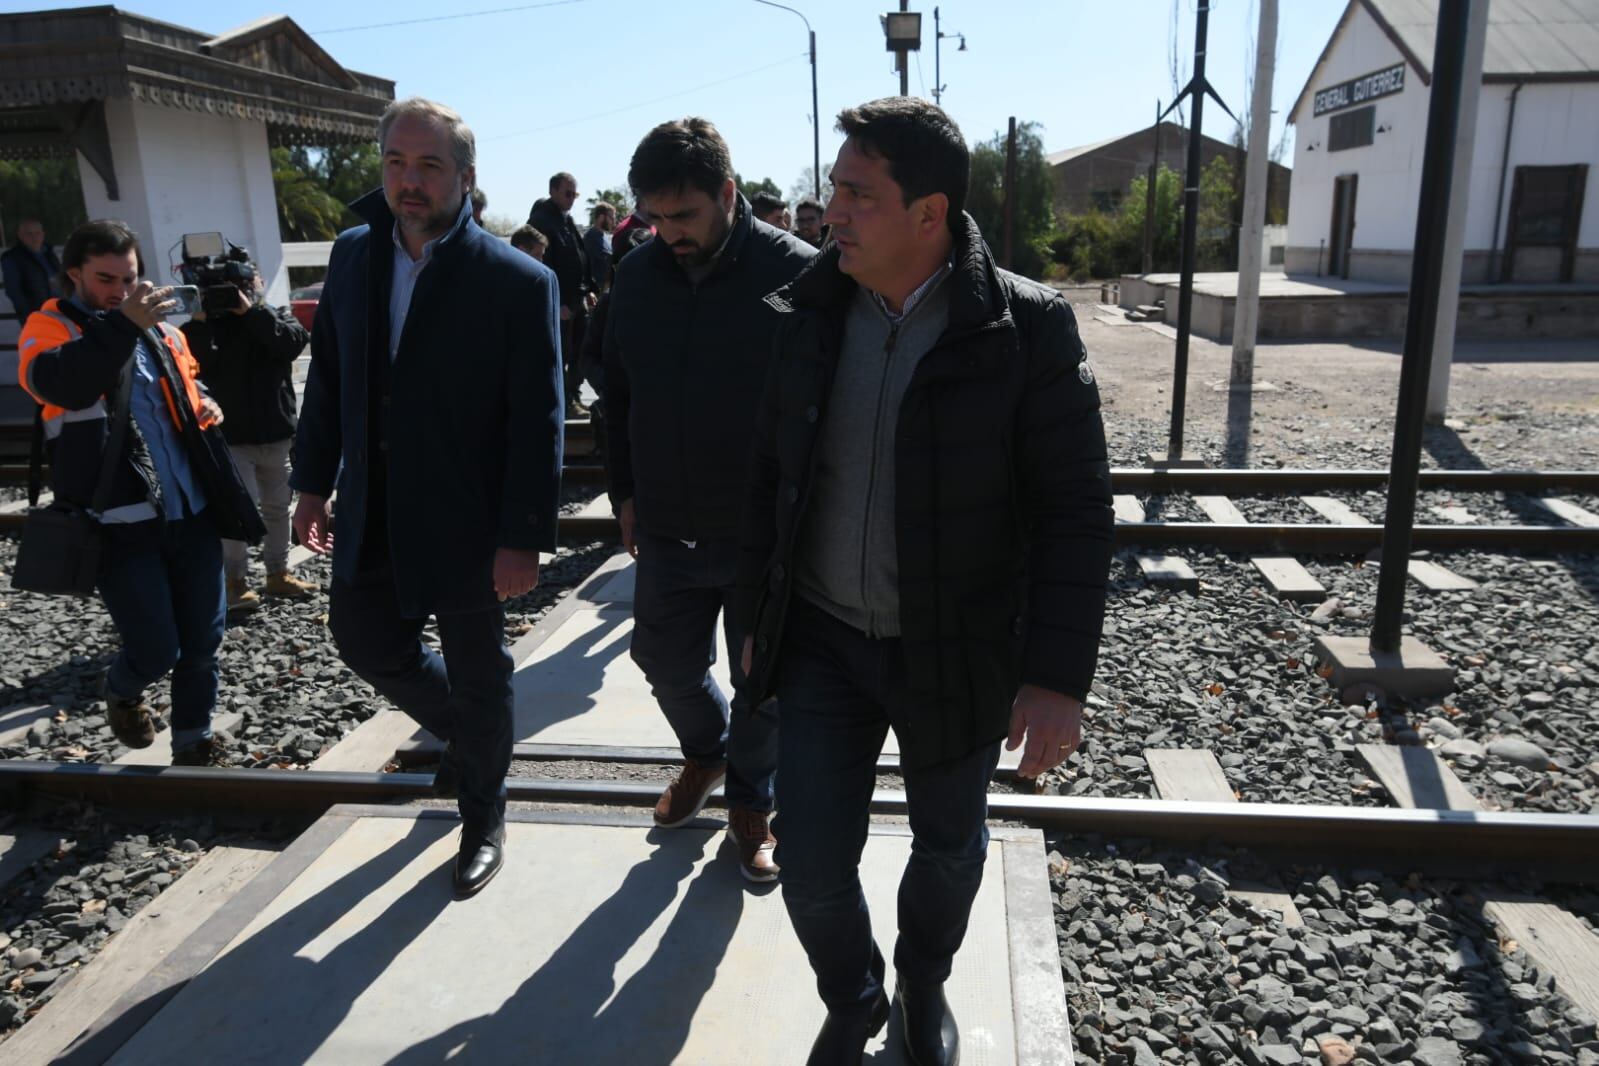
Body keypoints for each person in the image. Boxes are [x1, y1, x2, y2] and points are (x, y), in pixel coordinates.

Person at [735, 97, 1113, 1064]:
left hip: (958, 643)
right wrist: (755, 620)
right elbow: (766, 478)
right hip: (822, 639)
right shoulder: (804, 311)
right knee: (813, 863)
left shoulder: (1024, 329)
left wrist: (1058, 677)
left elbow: (1074, 513)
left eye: (858, 195)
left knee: (948, 847)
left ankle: (922, 985)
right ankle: (854, 993)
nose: (832, 214)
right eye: (833, 192)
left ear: (928, 213)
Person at [291, 97, 563, 900]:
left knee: (483, 675)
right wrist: (311, 483)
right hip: (374, 505)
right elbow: (330, 380)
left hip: (471, 522)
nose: (409, 183)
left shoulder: (518, 280)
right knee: (364, 637)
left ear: (466, 178)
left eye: (429, 166)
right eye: (396, 164)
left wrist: (524, 537)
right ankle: (473, 741)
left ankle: (483, 813)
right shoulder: (352, 256)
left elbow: (537, 417)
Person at [604, 117, 816, 883]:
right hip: (665, 520)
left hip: (762, 531)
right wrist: (624, 490)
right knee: (662, 660)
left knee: (761, 678)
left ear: (727, 193)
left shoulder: (797, 272)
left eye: (683, 216)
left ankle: (751, 801)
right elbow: (616, 395)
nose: (667, 234)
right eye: (653, 218)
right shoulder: (635, 277)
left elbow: (821, 411)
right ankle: (706, 753)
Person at [18, 219, 266, 766]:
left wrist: (206, 403)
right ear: (74, 274)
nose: (121, 290)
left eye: (130, 278)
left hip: (192, 509)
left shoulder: (164, 331)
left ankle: (194, 742)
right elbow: (60, 382)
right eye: (106, 279)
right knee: (156, 648)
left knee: (204, 642)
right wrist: (122, 325)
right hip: (117, 519)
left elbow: (187, 384)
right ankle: (124, 688)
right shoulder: (51, 327)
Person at [182, 272, 314, 615]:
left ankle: (278, 573)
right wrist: (199, 322)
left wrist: (253, 312)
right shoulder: (204, 327)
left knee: (277, 507)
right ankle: (235, 583)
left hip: (276, 432)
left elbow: (293, 341)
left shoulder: (271, 315)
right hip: (230, 438)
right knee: (237, 512)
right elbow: (187, 366)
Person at [528, 173, 595, 417]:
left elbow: (580, 257)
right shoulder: (542, 221)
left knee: (580, 350)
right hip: (560, 304)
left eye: (574, 194)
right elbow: (542, 267)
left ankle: (572, 397)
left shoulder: (565, 221)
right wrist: (557, 303)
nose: (572, 199)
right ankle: (563, 402)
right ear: (553, 191)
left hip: (576, 300)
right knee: (560, 355)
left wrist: (588, 290)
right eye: (567, 194)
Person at [3, 218, 61, 320]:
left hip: (60, 311)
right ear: (20, 235)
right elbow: (13, 291)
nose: (34, 237)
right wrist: (30, 314)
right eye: (29, 234)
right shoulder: (12, 258)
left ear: (43, 234)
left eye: (37, 233)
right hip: (37, 315)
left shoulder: (49, 253)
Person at [583, 202, 616, 293]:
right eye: (611, 218)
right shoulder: (590, 238)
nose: (613, 222)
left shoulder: (606, 237)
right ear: (601, 217)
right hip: (595, 293)